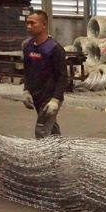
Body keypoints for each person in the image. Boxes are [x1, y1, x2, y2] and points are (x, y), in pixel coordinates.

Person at [22, 10, 68, 139]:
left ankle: (45, 153)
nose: (29, 26)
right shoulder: (27, 46)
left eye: (33, 23)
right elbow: (27, 70)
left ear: (44, 25)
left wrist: (55, 100)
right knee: (52, 129)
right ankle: (59, 148)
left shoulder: (54, 48)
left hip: (50, 97)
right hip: (36, 95)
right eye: (27, 23)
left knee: (41, 130)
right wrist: (26, 90)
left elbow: (62, 76)